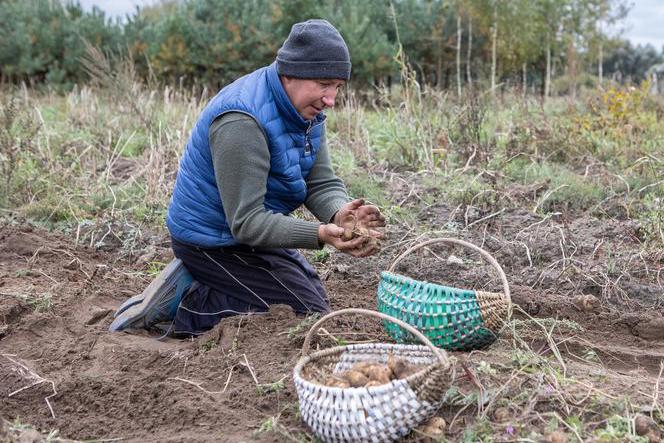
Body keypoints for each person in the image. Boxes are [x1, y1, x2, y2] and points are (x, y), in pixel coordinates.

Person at [110, 19, 385, 336]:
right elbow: (247, 221)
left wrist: (341, 212)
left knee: (309, 293)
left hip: (244, 234)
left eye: (337, 86)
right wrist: (322, 233)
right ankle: (188, 301)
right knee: (304, 312)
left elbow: (319, 182)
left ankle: (203, 282)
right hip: (209, 240)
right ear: (291, 72)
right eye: (324, 84)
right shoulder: (242, 120)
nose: (330, 99)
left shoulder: (306, 113)